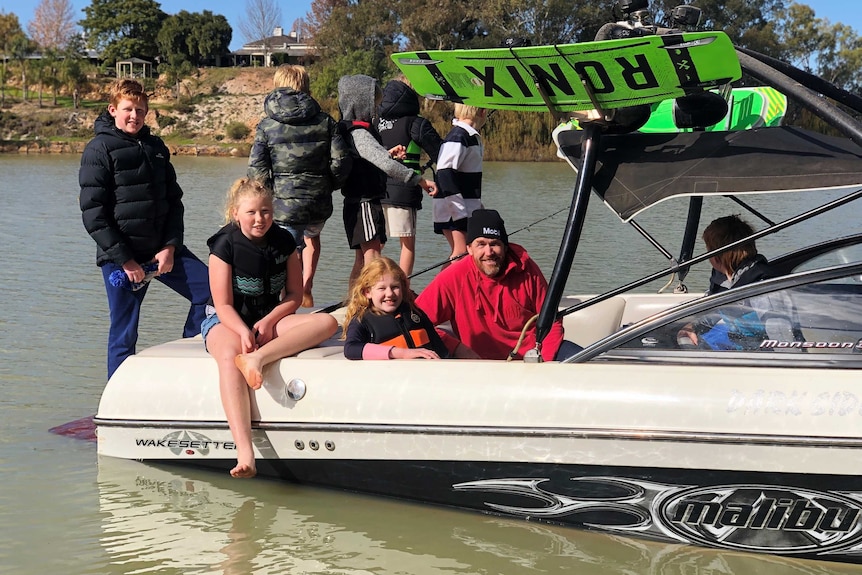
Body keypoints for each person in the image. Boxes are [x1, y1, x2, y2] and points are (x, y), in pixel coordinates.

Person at [201, 178, 338, 478]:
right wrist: (241, 330)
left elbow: (294, 295)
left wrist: (269, 320)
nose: (259, 218)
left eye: (265, 211)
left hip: (269, 318)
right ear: (236, 213)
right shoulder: (223, 245)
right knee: (230, 356)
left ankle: (258, 359)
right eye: (251, 212)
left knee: (327, 322)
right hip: (226, 320)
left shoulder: (285, 242)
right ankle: (245, 451)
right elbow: (223, 305)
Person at [79, 78, 211, 379]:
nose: (134, 116)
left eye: (140, 110)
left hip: (161, 251)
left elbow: (174, 202)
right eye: (128, 109)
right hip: (121, 261)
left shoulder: (156, 147)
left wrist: (170, 247)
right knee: (124, 333)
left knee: (213, 292)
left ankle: (189, 362)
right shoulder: (98, 150)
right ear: (113, 109)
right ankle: (117, 401)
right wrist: (126, 260)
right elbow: (93, 214)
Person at [248, 64, 351, 308]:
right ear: (304, 85)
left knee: (288, 250)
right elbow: (342, 161)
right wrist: (327, 185)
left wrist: (272, 194)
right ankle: (307, 285)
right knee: (312, 238)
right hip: (317, 203)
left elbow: (256, 169)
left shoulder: (267, 124)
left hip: (284, 205)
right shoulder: (326, 120)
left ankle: (288, 303)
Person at [416, 209, 567, 361]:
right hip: (478, 365)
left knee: (585, 365)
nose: (489, 252)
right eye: (480, 244)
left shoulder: (527, 269)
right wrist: (456, 348)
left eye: (494, 244)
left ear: (505, 247)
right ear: (469, 248)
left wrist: (545, 363)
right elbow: (414, 322)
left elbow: (552, 320)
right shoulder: (453, 276)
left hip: (530, 359)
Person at [337, 74, 438, 290]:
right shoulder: (360, 132)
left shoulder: (351, 129)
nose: (376, 109)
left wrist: (387, 153)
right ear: (361, 102)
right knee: (373, 256)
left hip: (357, 201)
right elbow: (387, 166)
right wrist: (420, 180)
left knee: (362, 258)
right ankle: (369, 305)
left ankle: (354, 301)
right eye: (373, 103)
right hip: (365, 201)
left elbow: (369, 158)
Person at [678, 215, 798, 349]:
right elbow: (714, 311)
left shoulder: (762, 284)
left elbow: (783, 339)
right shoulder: (722, 278)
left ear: (717, 256)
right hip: (740, 344)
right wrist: (694, 327)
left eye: (708, 250)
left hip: (766, 354)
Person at [377, 75, 444, 277]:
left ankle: (373, 288)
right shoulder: (416, 123)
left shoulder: (375, 121)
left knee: (376, 245)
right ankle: (404, 288)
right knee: (407, 245)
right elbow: (441, 152)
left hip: (376, 190)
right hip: (403, 192)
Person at [341, 257, 451, 360]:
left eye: (395, 287)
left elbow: (440, 349)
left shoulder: (415, 313)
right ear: (367, 292)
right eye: (382, 288)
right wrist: (402, 353)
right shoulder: (361, 320)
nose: (389, 293)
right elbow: (351, 349)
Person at [434, 103, 488, 263]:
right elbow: (444, 173)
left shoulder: (469, 136)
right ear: (482, 110)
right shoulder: (459, 136)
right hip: (454, 210)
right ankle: (439, 289)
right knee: (461, 255)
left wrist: (478, 206)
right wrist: (459, 212)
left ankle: (444, 288)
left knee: (461, 255)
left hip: (463, 209)